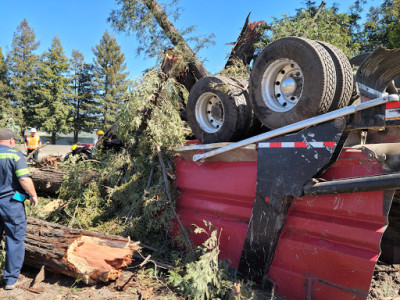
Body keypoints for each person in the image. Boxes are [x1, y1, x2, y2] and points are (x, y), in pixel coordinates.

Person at [0, 128, 38, 290]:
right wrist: (33, 195)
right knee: (14, 240)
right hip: (11, 204)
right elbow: (23, 178)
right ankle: (10, 280)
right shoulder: (15, 155)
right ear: (11, 141)